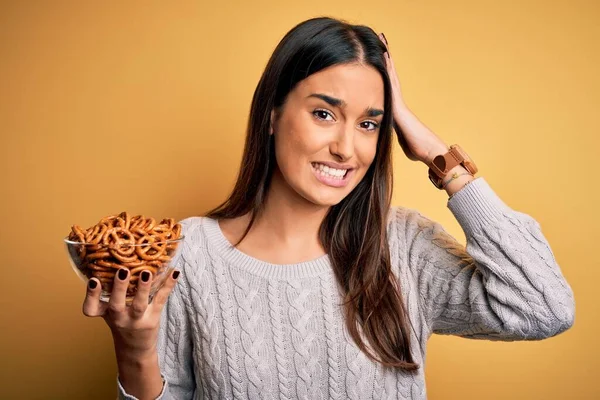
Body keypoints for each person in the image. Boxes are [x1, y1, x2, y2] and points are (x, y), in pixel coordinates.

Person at [82, 17, 575, 400]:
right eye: (324, 114)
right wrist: (134, 348)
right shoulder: (188, 255)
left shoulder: (401, 247)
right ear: (273, 114)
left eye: (369, 124)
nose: (347, 148)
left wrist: (436, 154)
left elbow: (543, 307)